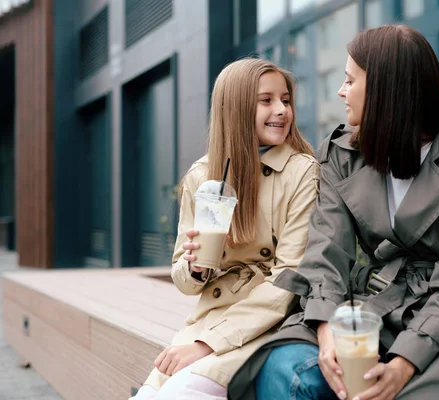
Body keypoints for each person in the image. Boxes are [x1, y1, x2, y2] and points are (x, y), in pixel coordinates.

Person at [227, 24, 439, 400]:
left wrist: (402, 365)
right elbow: (326, 250)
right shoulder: (343, 154)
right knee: (289, 372)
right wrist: (326, 331)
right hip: (364, 307)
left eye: (349, 80)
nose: (341, 91)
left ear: (384, 89)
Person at [131, 57, 319, 399]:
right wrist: (197, 266)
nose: (281, 110)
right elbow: (183, 279)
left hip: (270, 319)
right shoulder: (203, 177)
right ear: (234, 108)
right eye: (266, 100)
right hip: (212, 315)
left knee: (180, 393)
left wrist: (208, 344)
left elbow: (291, 274)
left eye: (286, 100)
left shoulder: (302, 171)